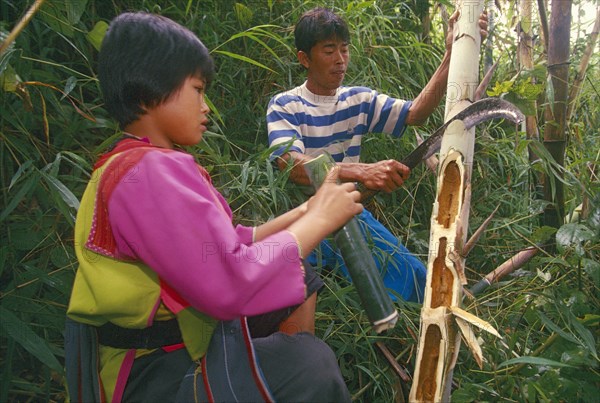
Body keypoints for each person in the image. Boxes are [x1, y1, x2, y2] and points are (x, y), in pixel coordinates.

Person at [65, 12, 361, 403]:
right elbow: (227, 283)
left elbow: (230, 241)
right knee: (311, 365)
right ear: (149, 91)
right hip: (149, 370)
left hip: (169, 342)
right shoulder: (148, 172)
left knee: (298, 275)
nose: (206, 107)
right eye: (197, 90)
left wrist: (308, 213)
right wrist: (319, 219)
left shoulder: (135, 163)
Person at [266, 7, 488, 303]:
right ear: (304, 58)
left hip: (349, 216)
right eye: (329, 50)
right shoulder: (285, 105)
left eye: (344, 49)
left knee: (417, 282)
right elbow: (288, 163)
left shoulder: (357, 100)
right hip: (302, 219)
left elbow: (416, 114)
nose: (340, 60)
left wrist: (450, 55)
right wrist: (360, 171)